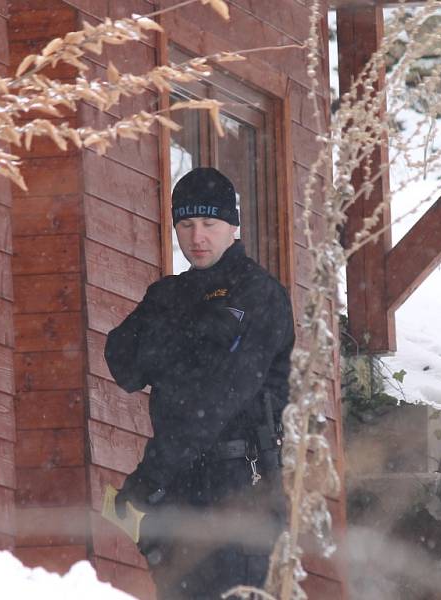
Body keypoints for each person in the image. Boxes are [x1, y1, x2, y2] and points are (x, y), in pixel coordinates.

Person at [104, 167, 295, 600]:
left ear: (233, 226)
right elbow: (124, 364)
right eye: (186, 225)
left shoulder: (258, 294)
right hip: (177, 486)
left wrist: (149, 477)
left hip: (240, 485)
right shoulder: (168, 295)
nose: (197, 238)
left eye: (210, 224)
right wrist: (190, 337)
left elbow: (221, 394)